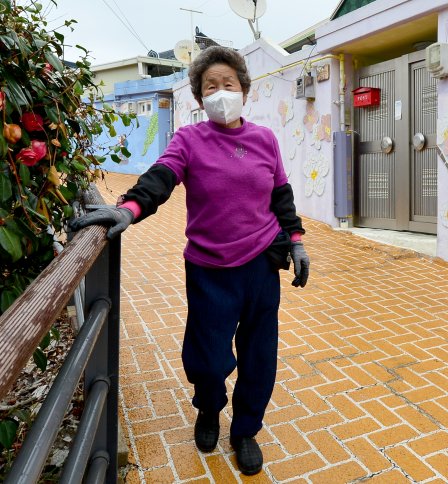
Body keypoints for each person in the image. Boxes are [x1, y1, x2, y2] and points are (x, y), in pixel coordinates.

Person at [69, 46, 310, 476]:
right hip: (209, 269)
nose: (220, 92)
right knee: (207, 358)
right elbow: (162, 176)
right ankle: (208, 408)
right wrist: (129, 208)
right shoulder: (190, 140)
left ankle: (245, 430)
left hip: (259, 267)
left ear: (244, 91)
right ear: (199, 98)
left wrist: (296, 241)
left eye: (228, 84)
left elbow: (281, 194)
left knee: (259, 356)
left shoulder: (264, 139)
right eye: (210, 86)